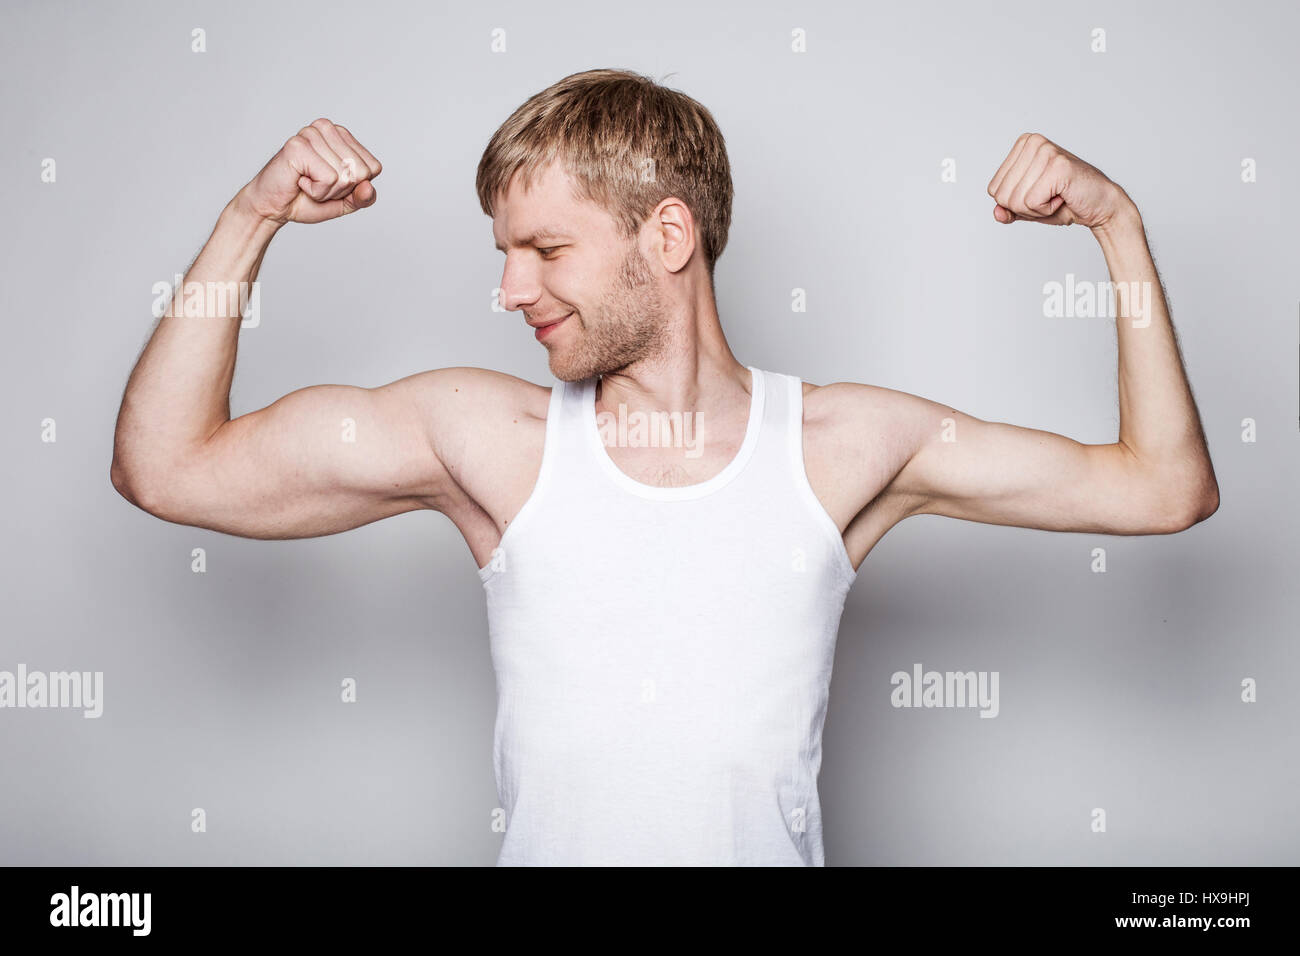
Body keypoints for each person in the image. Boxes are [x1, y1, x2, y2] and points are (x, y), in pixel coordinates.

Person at [110, 68, 1218, 866]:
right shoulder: (491, 442)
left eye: (545, 249)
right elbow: (166, 467)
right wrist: (250, 217)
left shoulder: (842, 447)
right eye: (502, 252)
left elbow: (1162, 487)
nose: (509, 288)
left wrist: (1116, 226)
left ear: (668, 237)